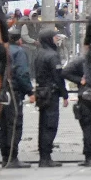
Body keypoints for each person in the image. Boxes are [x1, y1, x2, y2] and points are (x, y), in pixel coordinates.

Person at [0, 25, 34, 168]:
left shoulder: (2, 51)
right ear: (19, 40)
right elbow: (22, 74)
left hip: (1, 92)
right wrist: (30, 91)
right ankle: (12, 158)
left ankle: (4, 156)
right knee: (14, 125)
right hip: (13, 93)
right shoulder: (19, 52)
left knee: (2, 125)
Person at [34, 28, 69, 168]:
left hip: (41, 91)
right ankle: (46, 158)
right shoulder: (52, 56)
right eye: (55, 38)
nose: (56, 40)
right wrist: (65, 94)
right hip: (51, 93)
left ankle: (43, 156)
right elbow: (58, 77)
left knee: (42, 124)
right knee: (50, 124)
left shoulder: (39, 54)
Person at [62, 55, 91, 167]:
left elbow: (65, 72)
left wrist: (80, 80)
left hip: (86, 96)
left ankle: (89, 158)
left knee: (88, 128)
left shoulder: (82, 60)